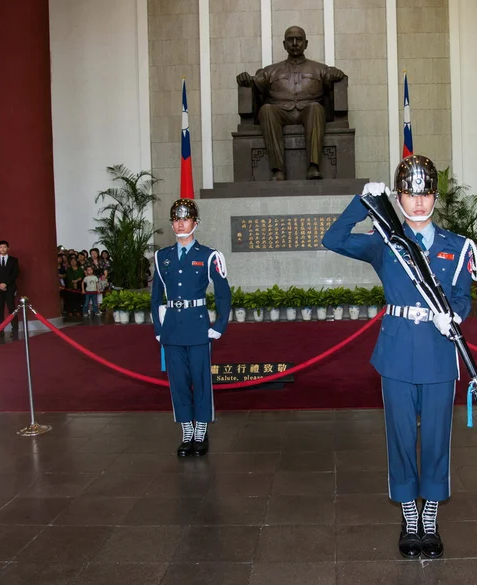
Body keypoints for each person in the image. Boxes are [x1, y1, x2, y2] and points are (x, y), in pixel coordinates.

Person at [323, 155, 472, 560]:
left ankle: (431, 517)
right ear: (398, 196)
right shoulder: (383, 242)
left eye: (425, 194)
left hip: (440, 353)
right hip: (397, 352)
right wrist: (362, 202)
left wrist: (454, 315)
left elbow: (462, 296)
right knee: (402, 436)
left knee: (438, 437)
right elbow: (332, 239)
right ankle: (409, 513)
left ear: (435, 197)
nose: (419, 202)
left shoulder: (457, 247)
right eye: (409, 193)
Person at [151, 199, 232, 457]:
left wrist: (219, 325)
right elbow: (155, 297)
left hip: (198, 328)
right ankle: (187, 429)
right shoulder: (161, 257)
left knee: (200, 379)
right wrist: (158, 327)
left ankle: (201, 430)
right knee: (179, 383)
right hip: (172, 328)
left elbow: (223, 294)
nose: (180, 223)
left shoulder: (208, 256)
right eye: (176, 219)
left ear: (195, 222)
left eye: (185, 219)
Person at [236, 26, 345, 181]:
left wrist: (337, 74)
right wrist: (246, 79)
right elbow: (254, 83)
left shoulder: (320, 69)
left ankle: (313, 167)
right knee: (267, 110)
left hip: (309, 112)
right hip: (281, 112)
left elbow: (334, 80)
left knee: (315, 108)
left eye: (299, 39)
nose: (294, 43)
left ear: (306, 44)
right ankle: (277, 169)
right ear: (284, 44)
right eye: (290, 40)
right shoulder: (271, 70)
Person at [0, 240, 20, 337]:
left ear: (8, 248)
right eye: (1, 247)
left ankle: (14, 329)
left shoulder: (13, 260)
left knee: (11, 308)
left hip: (10, 288)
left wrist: (5, 284)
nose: (3, 249)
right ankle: (0, 330)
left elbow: (15, 273)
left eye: (4, 247)